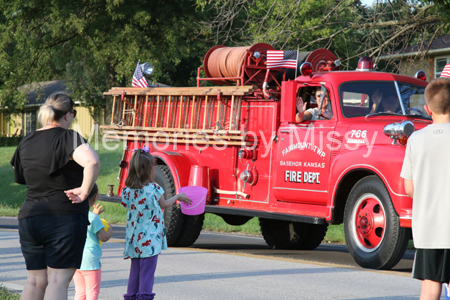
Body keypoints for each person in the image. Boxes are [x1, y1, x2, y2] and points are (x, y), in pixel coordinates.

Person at [10, 92, 100, 300]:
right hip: (64, 217)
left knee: (34, 281)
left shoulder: (26, 141)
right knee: (58, 281)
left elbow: (20, 172)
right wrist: (85, 190)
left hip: (30, 217)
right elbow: (92, 161)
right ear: (68, 115)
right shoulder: (70, 137)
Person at [400, 77, 450, 300]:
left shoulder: (415, 139)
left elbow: (409, 188)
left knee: (430, 286)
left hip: (429, 229)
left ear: (428, 109)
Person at [121, 148, 192, 300]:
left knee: (135, 272)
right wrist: (178, 196)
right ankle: (144, 297)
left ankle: (131, 297)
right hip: (150, 241)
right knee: (147, 273)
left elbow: (126, 205)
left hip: (134, 241)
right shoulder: (154, 189)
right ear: (149, 170)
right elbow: (165, 204)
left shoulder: (127, 191)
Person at [73, 183, 113, 300]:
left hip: (77, 260)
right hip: (91, 262)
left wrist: (95, 215)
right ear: (95, 197)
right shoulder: (94, 218)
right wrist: (110, 229)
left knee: (80, 292)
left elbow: (87, 226)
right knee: (92, 293)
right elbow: (104, 237)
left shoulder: (75, 215)